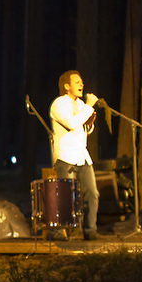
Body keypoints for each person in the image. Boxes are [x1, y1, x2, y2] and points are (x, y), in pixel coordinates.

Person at [49, 70, 100, 241]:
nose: (81, 84)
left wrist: (90, 123)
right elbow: (71, 124)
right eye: (77, 82)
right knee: (66, 196)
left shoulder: (80, 105)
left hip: (82, 156)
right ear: (66, 86)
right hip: (65, 156)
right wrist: (89, 106)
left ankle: (90, 229)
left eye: (82, 81)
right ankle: (58, 231)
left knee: (92, 193)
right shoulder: (58, 104)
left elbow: (83, 129)